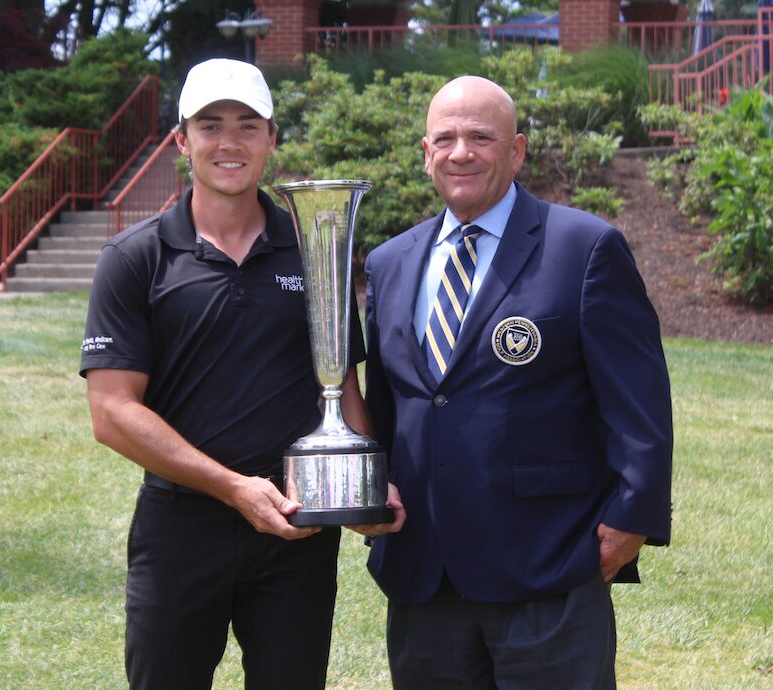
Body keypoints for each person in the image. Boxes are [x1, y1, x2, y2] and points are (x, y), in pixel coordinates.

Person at [362, 75, 673, 688]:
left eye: (481, 136)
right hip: (425, 574)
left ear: (518, 150)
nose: (461, 152)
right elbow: (389, 406)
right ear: (425, 152)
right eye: (445, 138)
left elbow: (639, 405)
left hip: (547, 564)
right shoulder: (389, 262)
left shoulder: (584, 248)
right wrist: (369, 490)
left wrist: (634, 517)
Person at [78, 58, 374, 690]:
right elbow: (112, 414)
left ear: (272, 138)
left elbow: (342, 388)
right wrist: (234, 487)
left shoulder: (316, 249)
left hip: (298, 527)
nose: (229, 142)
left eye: (247, 124)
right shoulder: (135, 259)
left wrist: (370, 490)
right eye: (209, 125)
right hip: (181, 530)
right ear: (182, 141)